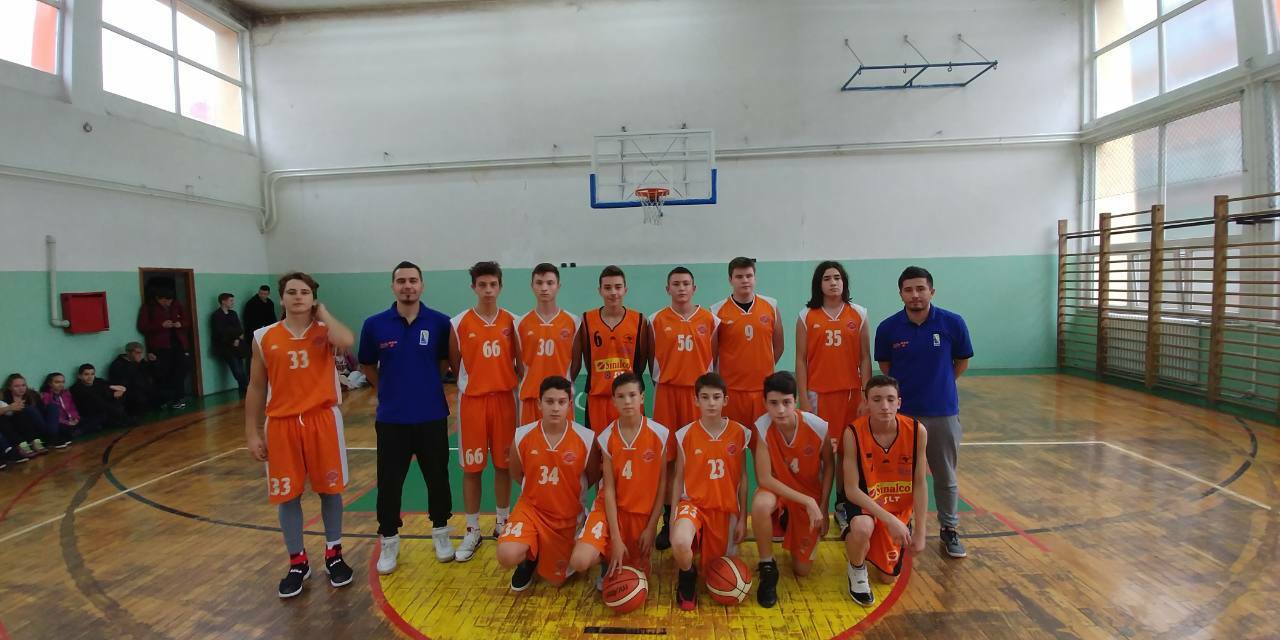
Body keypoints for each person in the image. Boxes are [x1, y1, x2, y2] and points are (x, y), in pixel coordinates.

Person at [244, 272, 357, 599]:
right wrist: (251, 432)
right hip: (281, 423)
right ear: (281, 298)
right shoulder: (263, 336)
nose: (298, 297)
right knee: (287, 495)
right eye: (291, 292)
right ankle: (297, 561)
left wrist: (323, 313)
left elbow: (347, 340)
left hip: (322, 420)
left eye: (304, 292)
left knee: (330, 490)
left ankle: (334, 554)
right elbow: (256, 386)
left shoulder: (325, 331)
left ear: (313, 297)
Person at [358, 261, 456, 575]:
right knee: (389, 483)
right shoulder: (374, 324)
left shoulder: (440, 322)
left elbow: (444, 362)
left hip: (431, 415)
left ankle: (441, 532)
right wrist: (387, 388)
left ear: (422, 285)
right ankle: (389, 539)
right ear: (393, 286)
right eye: (401, 281)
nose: (407, 286)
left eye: (413, 280)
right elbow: (366, 364)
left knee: (438, 478)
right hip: (392, 419)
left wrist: (424, 384)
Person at [874, 265, 973, 559]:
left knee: (945, 475)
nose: (915, 295)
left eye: (920, 289)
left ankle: (949, 528)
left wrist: (941, 385)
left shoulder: (952, 323)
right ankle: (904, 522)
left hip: (943, 412)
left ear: (932, 291)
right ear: (900, 294)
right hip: (903, 416)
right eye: (908, 290)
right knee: (902, 475)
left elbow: (961, 362)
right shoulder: (888, 328)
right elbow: (886, 368)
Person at [495, 376, 598, 592]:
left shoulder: (586, 438)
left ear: (570, 404)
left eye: (561, 402)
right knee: (507, 555)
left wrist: (564, 493)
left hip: (567, 515)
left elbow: (592, 475)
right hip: (532, 510)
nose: (555, 408)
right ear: (539, 404)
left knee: (566, 575)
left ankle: (552, 543)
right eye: (549, 401)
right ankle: (529, 558)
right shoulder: (522, 436)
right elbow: (517, 472)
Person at [568, 373, 669, 590]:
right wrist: (615, 537)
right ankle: (603, 556)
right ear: (613, 401)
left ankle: (617, 557)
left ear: (642, 397)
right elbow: (609, 490)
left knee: (637, 579)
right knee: (579, 561)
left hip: (641, 515)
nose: (627, 401)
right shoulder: (607, 437)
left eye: (632, 395)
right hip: (609, 510)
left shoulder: (660, 434)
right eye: (621, 397)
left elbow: (662, 485)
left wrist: (652, 526)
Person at [450, 261, 521, 562]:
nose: (488, 290)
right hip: (473, 403)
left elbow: (519, 363)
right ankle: (472, 529)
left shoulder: (513, 322)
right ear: (474, 287)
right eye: (482, 285)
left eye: (493, 285)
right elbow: (455, 364)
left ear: (500, 287)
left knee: (504, 465)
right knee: (472, 468)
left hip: (505, 400)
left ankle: (503, 522)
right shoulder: (458, 323)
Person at [795, 260, 870, 530]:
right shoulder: (806, 315)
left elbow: (865, 357)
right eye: (827, 278)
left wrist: (866, 396)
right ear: (819, 284)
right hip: (818, 395)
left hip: (850, 395)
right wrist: (804, 398)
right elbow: (801, 360)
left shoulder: (859, 313)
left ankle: (842, 504)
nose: (833, 282)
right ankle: (813, 504)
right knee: (817, 454)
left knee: (847, 454)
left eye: (837, 277)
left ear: (844, 282)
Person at [839, 375, 928, 605]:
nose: (885, 406)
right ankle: (856, 568)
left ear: (899, 402)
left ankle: (881, 538)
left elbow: (920, 483)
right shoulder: (853, 433)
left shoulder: (917, 431)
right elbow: (851, 490)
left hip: (898, 506)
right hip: (866, 503)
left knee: (887, 578)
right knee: (862, 528)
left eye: (890, 399)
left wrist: (920, 531)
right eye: (877, 399)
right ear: (866, 402)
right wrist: (889, 520)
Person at [649, 266, 719, 549]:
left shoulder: (711, 320)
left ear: (694, 288)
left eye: (686, 283)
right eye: (676, 284)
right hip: (667, 392)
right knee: (668, 459)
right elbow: (650, 361)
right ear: (668, 289)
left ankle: (698, 518)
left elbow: (715, 359)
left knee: (696, 458)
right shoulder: (655, 320)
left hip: (697, 396)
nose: (681, 288)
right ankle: (669, 519)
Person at [750, 371, 832, 608]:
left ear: (795, 401)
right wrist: (807, 501)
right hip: (778, 490)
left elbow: (829, 466)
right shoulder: (762, 427)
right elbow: (764, 478)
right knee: (760, 504)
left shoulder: (817, 426)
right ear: (765, 403)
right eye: (773, 403)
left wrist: (823, 505)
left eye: (786, 402)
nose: (780, 410)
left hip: (809, 493)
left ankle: (787, 521)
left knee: (802, 570)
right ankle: (767, 565)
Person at [669, 373, 750, 611]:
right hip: (693, 504)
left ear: (725, 400)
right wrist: (673, 516)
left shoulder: (739, 432)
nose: (711, 403)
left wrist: (742, 518)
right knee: (680, 540)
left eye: (716, 397)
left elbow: (743, 478)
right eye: (705, 397)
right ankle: (686, 575)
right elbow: (678, 478)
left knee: (716, 574)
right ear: (696, 401)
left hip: (724, 509)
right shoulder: (685, 434)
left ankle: (700, 563)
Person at [575, 265, 650, 433]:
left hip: (629, 397)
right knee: (598, 445)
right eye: (607, 288)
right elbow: (587, 357)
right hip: (598, 397)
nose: (613, 292)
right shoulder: (587, 320)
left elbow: (642, 361)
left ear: (625, 290)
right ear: (600, 291)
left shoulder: (639, 320)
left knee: (631, 444)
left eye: (618, 287)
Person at [710, 257, 783, 425]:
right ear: (730, 280)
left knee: (763, 439)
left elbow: (779, 346)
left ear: (755, 278)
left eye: (749, 276)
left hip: (763, 388)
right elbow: (712, 354)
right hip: (731, 390)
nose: (745, 280)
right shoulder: (716, 311)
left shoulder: (771, 306)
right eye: (739, 276)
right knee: (734, 440)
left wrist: (761, 366)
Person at [515, 263, 580, 424]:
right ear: (532, 286)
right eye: (539, 283)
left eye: (550, 283)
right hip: (531, 398)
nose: (544, 288)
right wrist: (532, 380)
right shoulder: (519, 323)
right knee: (529, 440)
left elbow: (576, 363)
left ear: (558, 286)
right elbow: (519, 365)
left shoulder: (573, 322)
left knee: (564, 440)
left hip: (561, 398)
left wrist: (565, 382)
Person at [137, 290, 191, 409]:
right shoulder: (149, 307)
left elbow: (187, 320)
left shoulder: (176, 305)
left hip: (178, 344)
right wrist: (161, 325)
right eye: (165, 301)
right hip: (160, 346)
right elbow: (142, 326)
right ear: (158, 298)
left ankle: (179, 398)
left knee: (181, 371)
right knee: (163, 374)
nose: (168, 303)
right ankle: (164, 400)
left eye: (170, 301)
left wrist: (180, 324)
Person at [3, 373, 67, 449]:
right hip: (28, 429)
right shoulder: (6, 400)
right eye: (16, 386)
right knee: (29, 409)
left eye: (23, 385)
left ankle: (51, 437)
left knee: (53, 406)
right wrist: (11, 408)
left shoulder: (32, 395)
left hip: (42, 424)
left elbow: (41, 411)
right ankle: (51, 439)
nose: (21, 388)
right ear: (10, 387)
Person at [70, 363, 130, 432]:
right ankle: (121, 420)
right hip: (91, 412)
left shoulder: (98, 381)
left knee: (118, 398)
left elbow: (113, 389)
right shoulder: (76, 388)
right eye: (86, 374)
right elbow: (94, 400)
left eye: (92, 374)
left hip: (105, 408)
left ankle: (120, 419)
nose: (90, 377)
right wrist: (112, 395)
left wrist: (115, 392)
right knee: (101, 403)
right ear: (80, 376)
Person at [211, 292, 249, 396]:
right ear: (223, 301)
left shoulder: (233, 314)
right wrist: (234, 337)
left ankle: (244, 389)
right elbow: (221, 331)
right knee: (237, 370)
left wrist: (236, 337)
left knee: (241, 369)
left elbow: (239, 328)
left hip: (237, 346)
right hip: (226, 347)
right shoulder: (217, 315)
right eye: (231, 300)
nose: (233, 303)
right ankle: (247, 387)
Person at [108, 342, 158, 416]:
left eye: (141, 353)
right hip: (129, 392)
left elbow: (151, 372)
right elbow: (124, 382)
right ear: (128, 352)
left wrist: (153, 362)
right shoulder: (117, 365)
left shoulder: (138, 362)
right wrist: (133, 365)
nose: (140, 355)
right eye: (137, 353)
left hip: (142, 389)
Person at [41, 372, 80, 442]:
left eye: (63, 382)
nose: (61, 384)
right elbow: (51, 416)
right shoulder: (46, 396)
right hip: (60, 423)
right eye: (57, 382)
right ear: (50, 383)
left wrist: (75, 418)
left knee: (93, 419)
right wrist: (67, 422)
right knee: (67, 430)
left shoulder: (66, 393)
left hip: (71, 420)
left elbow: (72, 408)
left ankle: (77, 432)